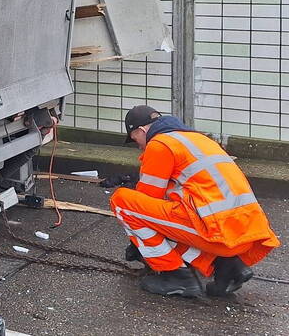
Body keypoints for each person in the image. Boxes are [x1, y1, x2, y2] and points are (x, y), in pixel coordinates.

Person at [110, 105, 280, 298]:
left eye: (135, 140)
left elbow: (146, 201)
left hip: (217, 234)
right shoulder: (199, 140)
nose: (140, 146)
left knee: (123, 202)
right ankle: (226, 266)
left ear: (141, 131)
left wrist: (138, 243)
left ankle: (175, 275)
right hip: (244, 233)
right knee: (172, 201)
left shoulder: (160, 144)